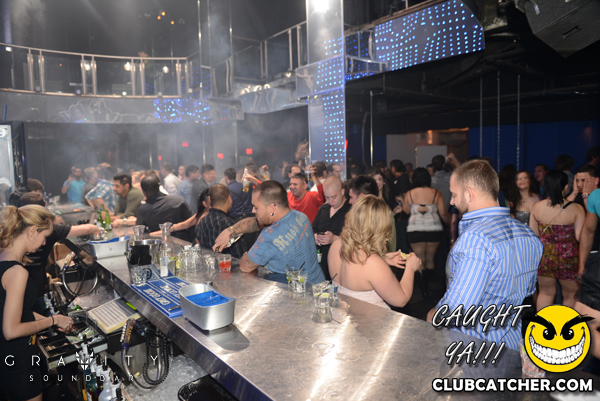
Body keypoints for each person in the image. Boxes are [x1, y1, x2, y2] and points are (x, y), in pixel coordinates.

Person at [426, 160, 543, 351]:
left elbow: (455, 310)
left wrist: (432, 315)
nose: (452, 202)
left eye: (454, 195)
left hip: (474, 350)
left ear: (469, 194)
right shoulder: (528, 234)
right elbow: (528, 292)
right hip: (512, 345)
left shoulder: (476, 239)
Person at [0, 205, 74, 400]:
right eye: (45, 237)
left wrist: (50, 322)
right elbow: (11, 330)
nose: (44, 243)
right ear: (32, 231)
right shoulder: (17, 272)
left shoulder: (3, 259)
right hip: (18, 361)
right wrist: (53, 320)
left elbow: (15, 310)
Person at [212, 181, 325, 284]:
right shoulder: (301, 216)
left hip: (296, 294)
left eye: (256, 207)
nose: (252, 210)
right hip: (318, 285)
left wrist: (249, 253)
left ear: (272, 208)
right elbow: (256, 223)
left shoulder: (269, 236)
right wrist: (230, 230)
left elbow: (245, 266)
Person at [328, 195, 422, 309]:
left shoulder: (336, 245)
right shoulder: (372, 263)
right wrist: (410, 267)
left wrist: (383, 259)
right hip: (370, 319)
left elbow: (357, 268)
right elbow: (401, 300)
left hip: (343, 315)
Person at [18, 192, 101, 314]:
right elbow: (88, 228)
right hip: (36, 286)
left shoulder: (15, 231)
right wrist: (97, 228)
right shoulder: (51, 229)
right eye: (44, 237)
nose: (44, 243)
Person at [530, 170, 585, 310]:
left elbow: (534, 234)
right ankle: (566, 324)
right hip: (569, 259)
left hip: (545, 258)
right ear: (566, 187)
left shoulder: (537, 207)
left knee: (545, 293)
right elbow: (580, 237)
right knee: (570, 295)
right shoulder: (577, 209)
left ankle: (543, 323)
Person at [403, 167, 450, 296]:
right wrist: (450, 227)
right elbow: (443, 214)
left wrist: (402, 201)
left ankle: (423, 288)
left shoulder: (410, 193)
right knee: (430, 260)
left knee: (419, 260)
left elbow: (406, 211)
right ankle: (427, 285)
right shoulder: (436, 193)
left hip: (415, 230)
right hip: (434, 230)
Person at [575, 187, 600, 359]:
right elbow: (588, 231)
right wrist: (582, 265)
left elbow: (589, 231)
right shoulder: (595, 196)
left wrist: (582, 266)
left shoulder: (596, 195)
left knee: (584, 326)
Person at [313, 177, 352, 280]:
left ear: (342, 191)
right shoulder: (323, 209)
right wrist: (315, 236)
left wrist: (335, 239)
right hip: (321, 265)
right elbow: (313, 228)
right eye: (327, 197)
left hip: (342, 266)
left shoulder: (352, 211)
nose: (330, 201)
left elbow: (357, 240)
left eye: (334, 197)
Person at [348, 175, 397, 252]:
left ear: (361, 197)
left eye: (351, 197)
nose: (350, 201)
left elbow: (390, 245)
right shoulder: (386, 212)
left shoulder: (384, 214)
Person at [136, 175, 192, 241]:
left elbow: (140, 231)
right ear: (159, 186)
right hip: (183, 242)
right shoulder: (179, 200)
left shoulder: (143, 209)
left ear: (144, 192)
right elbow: (191, 222)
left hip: (157, 244)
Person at [197, 185, 246, 258]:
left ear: (210, 201)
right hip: (227, 265)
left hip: (208, 263)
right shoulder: (230, 226)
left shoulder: (202, 222)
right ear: (229, 198)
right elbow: (239, 257)